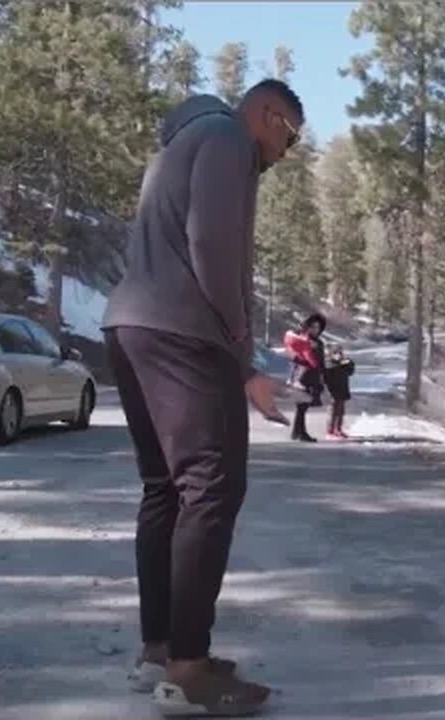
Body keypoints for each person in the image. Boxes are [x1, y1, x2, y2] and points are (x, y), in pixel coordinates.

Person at [100, 79, 303, 715]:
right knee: (212, 489)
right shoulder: (226, 137)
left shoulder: (184, 141)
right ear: (268, 115)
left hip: (130, 325)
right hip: (183, 333)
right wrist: (242, 352)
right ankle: (188, 669)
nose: (284, 153)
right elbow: (214, 247)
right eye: (288, 137)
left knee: (165, 489)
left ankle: (160, 651)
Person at [283, 314, 327, 443]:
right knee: (302, 405)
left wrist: (322, 376)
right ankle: (300, 433)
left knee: (304, 406)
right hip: (302, 376)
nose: (315, 329)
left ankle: (298, 432)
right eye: (313, 327)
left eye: (318, 327)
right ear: (308, 327)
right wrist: (301, 361)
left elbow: (321, 361)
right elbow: (291, 354)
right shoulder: (302, 340)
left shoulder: (319, 342)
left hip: (313, 376)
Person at [322, 344, 355, 440]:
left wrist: (349, 364)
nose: (339, 355)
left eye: (340, 353)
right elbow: (328, 372)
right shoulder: (328, 363)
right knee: (332, 411)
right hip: (332, 390)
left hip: (343, 389)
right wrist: (340, 364)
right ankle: (330, 431)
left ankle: (338, 429)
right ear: (331, 354)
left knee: (341, 411)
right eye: (336, 353)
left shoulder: (343, 363)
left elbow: (350, 372)